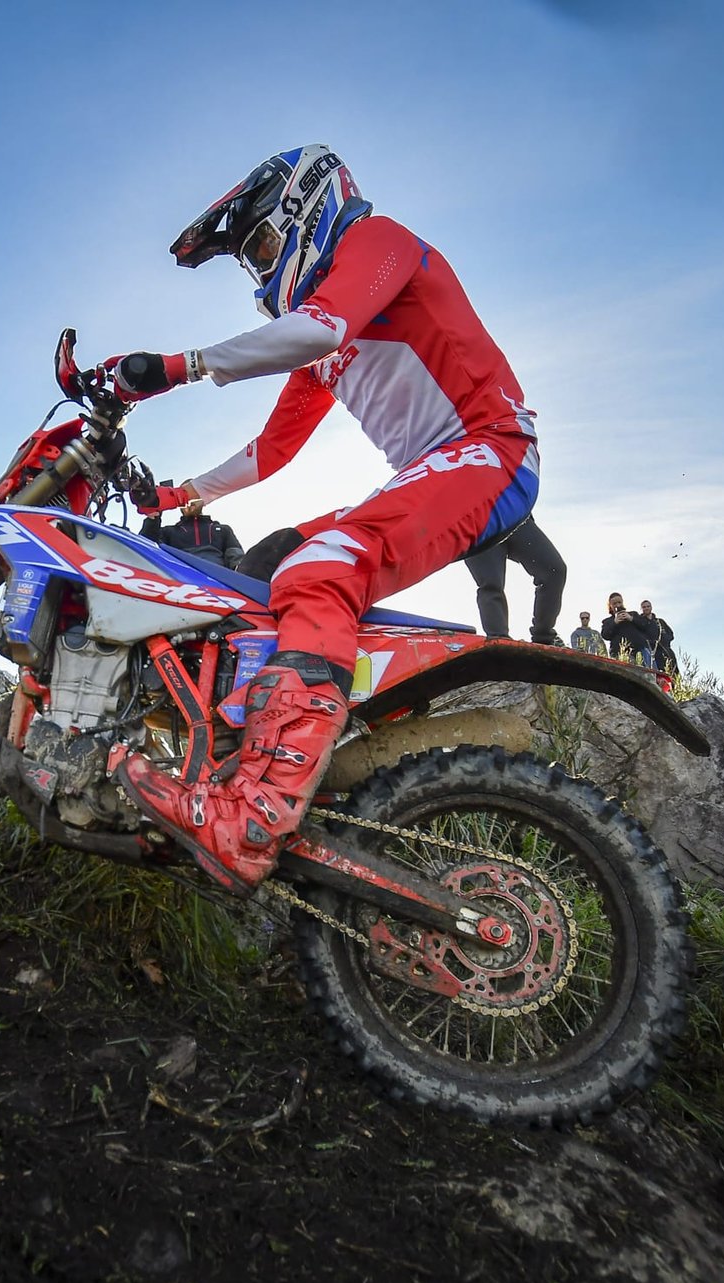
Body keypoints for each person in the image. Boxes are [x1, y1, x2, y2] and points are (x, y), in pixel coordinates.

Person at [100, 144, 540, 896]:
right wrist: (175, 496)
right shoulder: (321, 333)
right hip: (437, 467)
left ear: (309, 207)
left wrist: (178, 367)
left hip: (490, 446)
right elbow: (271, 450)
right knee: (266, 563)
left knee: (320, 568)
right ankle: (267, 744)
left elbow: (321, 327)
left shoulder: (380, 242)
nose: (261, 272)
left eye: (261, 247)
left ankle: (256, 813)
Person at [462, 517, 566, 644]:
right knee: (491, 585)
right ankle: (499, 640)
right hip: (477, 524)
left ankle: (544, 636)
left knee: (554, 571)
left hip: (514, 518)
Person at [139, 495, 246, 569]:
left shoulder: (223, 529)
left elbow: (236, 558)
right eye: (183, 497)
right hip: (181, 577)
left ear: (203, 501)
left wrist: (242, 575)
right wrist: (153, 517)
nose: (189, 502)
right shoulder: (168, 531)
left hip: (219, 579)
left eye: (193, 497)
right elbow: (145, 547)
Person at [601, 593, 654, 667]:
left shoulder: (633, 614)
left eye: (619, 602)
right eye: (614, 604)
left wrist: (631, 618)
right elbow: (605, 635)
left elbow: (645, 626)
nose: (618, 605)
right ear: (610, 605)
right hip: (620, 654)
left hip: (640, 652)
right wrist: (614, 622)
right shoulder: (608, 621)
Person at [639, 599, 677, 675]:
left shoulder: (660, 622)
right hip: (652, 653)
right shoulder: (640, 622)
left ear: (651, 607)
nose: (646, 608)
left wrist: (665, 640)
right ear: (641, 609)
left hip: (666, 651)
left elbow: (671, 634)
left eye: (648, 606)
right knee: (658, 674)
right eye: (644, 607)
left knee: (673, 672)